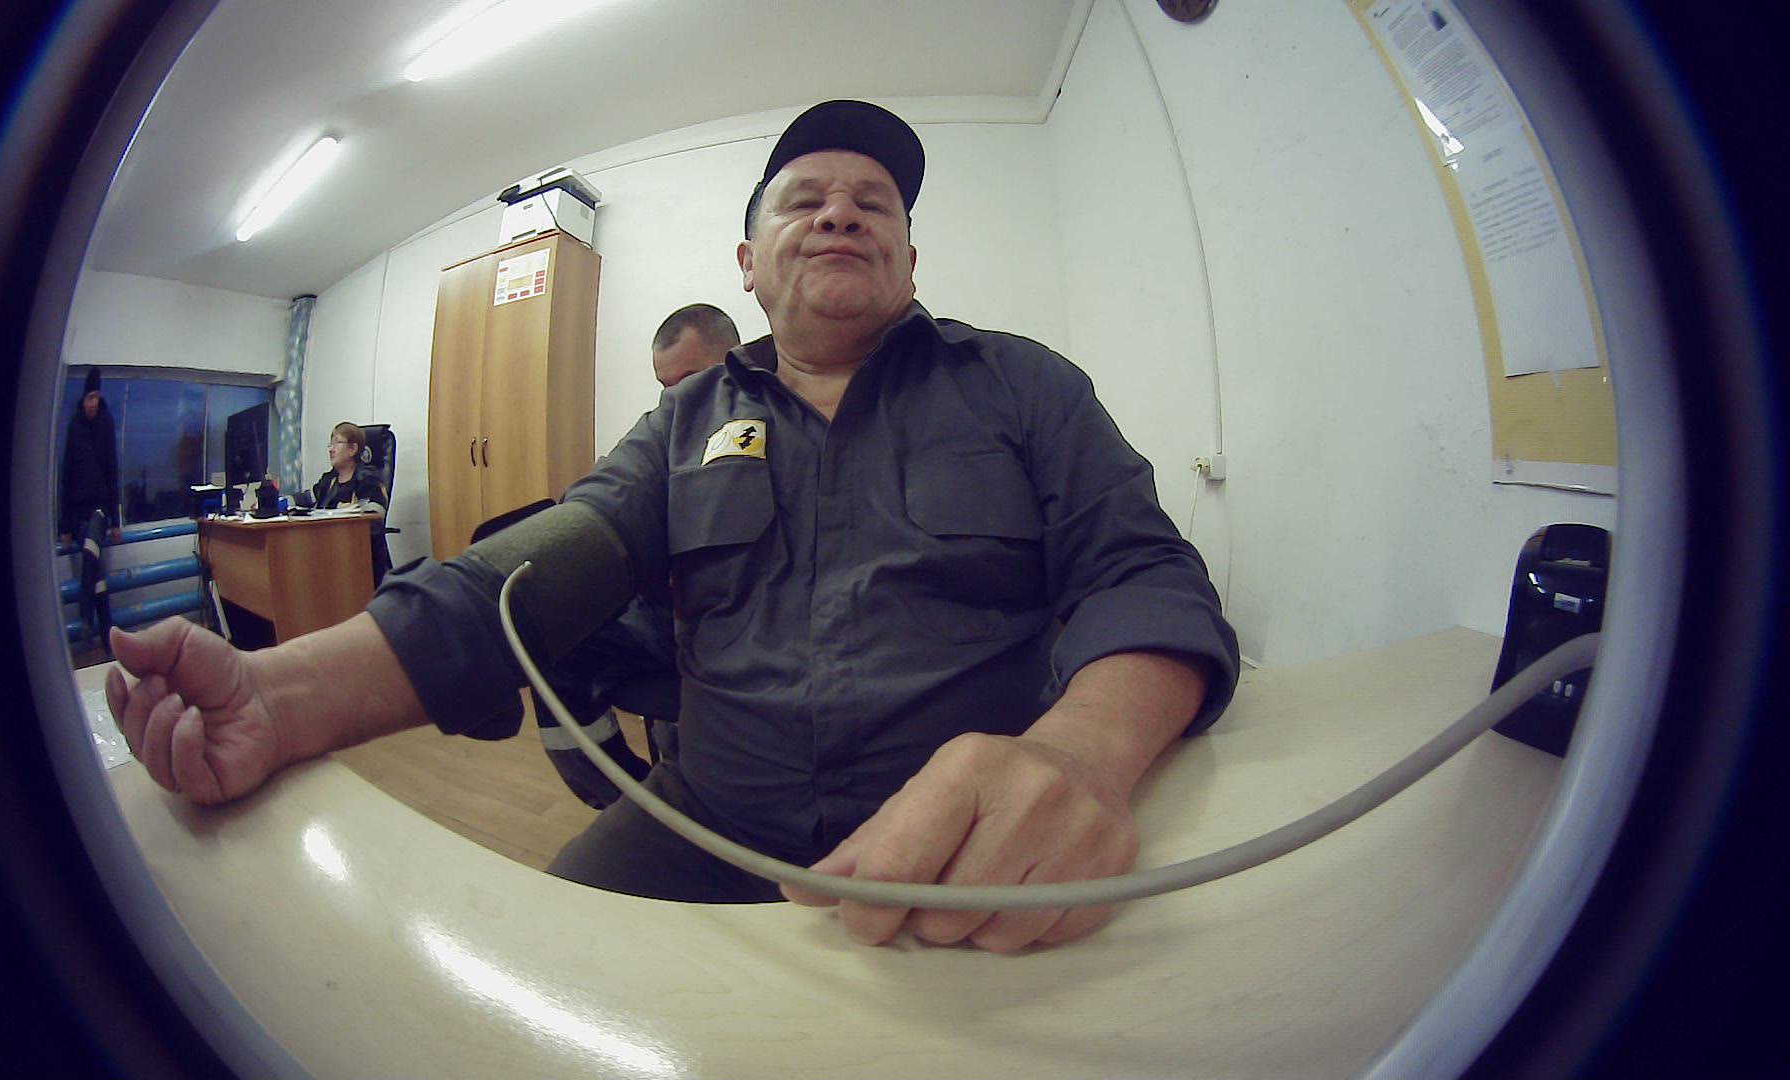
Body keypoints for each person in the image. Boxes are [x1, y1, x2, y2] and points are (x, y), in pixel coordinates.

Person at [107, 100, 1238, 953]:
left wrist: (1078, 758)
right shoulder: (683, 423)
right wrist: (280, 696)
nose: (842, 209)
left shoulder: (1023, 388)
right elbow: (533, 570)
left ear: (907, 257)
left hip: (975, 847)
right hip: (704, 831)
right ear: (748, 267)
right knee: (547, 980)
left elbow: (1146, 577)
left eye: (875, 202)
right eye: (803, 198)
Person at [534, 304, 741, 807]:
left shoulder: (768, 421)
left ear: (735, 360)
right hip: (661, 610)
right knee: (551, 645)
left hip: (738, 618)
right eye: (665, 386)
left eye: (691, 381)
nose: (678, 398)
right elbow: (609, 490)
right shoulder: (661, 429)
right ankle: (630, 800)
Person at [59, 367, 121, 652]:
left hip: (100, 509)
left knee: (91, 543)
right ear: (83, 399)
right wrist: (63, 527)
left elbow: (113, 472)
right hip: (78, 513)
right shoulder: (74, 427)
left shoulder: (106, 424)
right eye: (89, 397)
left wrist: (116, 521)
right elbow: (66, 478)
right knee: (95, 571)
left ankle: (85, 614)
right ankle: (108, 640)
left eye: (97, 396)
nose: (93, 402)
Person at [311, 421, 392, 586]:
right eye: (330, 444)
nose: (331, 449)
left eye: (337, 443)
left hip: (358, 558)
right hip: (328, 551)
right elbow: (306, 499)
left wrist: (344, 512)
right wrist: (275, 501)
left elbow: (374, 520)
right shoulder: (329, 480)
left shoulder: (368, 481)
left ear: (352, 449)